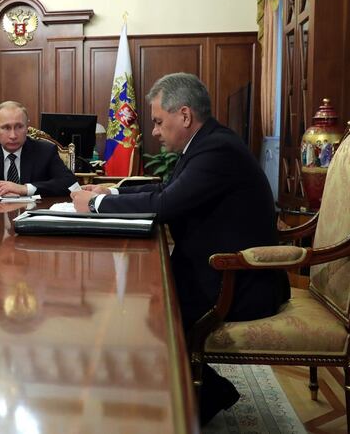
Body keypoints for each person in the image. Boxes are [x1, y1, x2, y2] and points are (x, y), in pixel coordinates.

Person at [71, 72, 290, 425]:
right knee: (141, 304)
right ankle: (202, 393)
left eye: (158, 121)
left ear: (184, 116)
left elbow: (165, 205)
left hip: (238, 281)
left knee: (143, 315)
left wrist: (95, 206)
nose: (154, 131)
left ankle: (189, 406)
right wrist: (109, 193)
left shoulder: (217, 150)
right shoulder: (207, 144)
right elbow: (170, 191)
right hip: (216, 269)